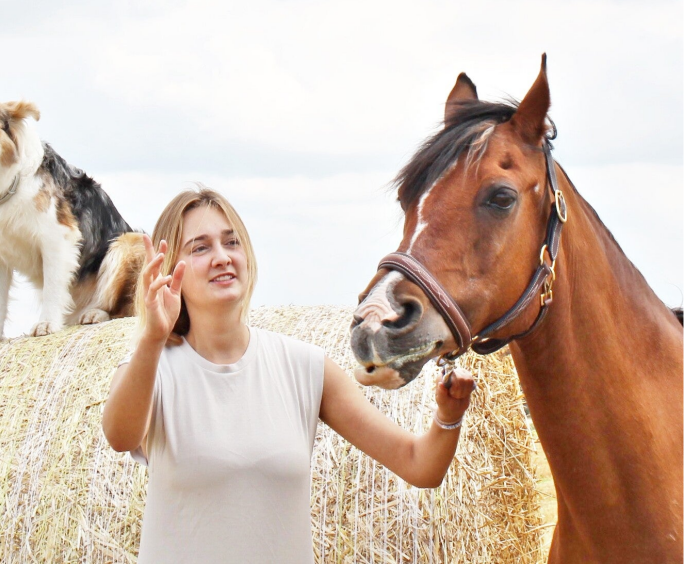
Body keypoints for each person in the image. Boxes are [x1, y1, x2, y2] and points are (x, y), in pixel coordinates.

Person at [102, 187, 475, 564]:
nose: (221, 257)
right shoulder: (153, 369)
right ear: (167, 272)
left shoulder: (304, 367)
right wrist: (152, 337)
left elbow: (419, 464)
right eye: (200, 248)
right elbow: (121, 436)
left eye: (231, 242)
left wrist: (449, 415)